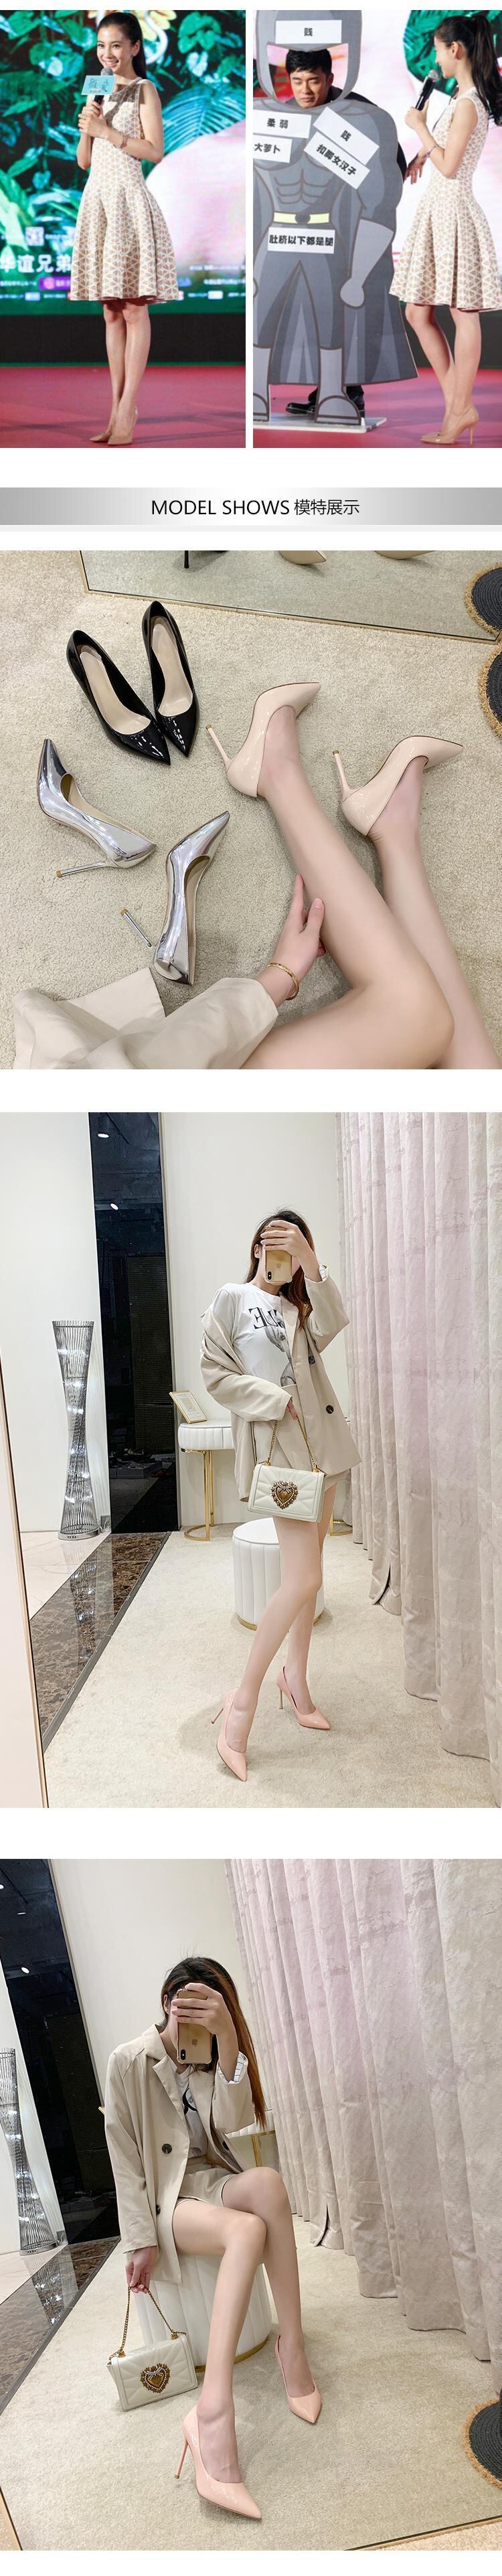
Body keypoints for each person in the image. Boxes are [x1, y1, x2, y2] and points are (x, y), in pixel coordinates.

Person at [104, 1955, 321, 2520]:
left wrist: (227, 2041)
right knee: (247, 2228)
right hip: (168, 2201)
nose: (195, 2019)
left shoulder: (208, 2057)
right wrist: (139, 2240)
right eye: (189, 2006)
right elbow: (124, 2160)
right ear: (167, 2002)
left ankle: (292, 2346)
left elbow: (233, 2123)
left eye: (212, 2008)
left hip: (211, 2183)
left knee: (269, 2183)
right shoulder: (128, 2060)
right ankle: (213, 2411)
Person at [200, 1211, 359, 1776]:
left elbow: (335, 1322)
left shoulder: (303, 1308)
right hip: (281, 1453)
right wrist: (274, 1399)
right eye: (275, 1243)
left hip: (324, 1449)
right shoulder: (232, 1299)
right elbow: (215, 1374)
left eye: (293, 1248)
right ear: (257, 1247)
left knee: (311, 1573)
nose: (282, 1256)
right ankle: (242, 1701)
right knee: (304, 1578)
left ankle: (295, 1679)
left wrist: (311, 1264)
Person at [392, 13, 502, 447]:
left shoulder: (470, 102)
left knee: (462, 314)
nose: (435, 59)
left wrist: (420, 128)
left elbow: (452, 166)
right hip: (437, 212)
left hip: (455, 213)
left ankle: (458, 409)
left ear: (455, 49)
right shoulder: (460, 98)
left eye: (438, 50)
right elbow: (443, 151)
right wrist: (422, 153)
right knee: (417, 313)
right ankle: (459, 405)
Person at [72, 9, 178, 445]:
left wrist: (107, 131)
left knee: (134, 308)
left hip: (129, 202)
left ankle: (128, 408)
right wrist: (89, 126)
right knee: (110, 310)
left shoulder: (143, 90)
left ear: (135, 47)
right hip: (98, 200)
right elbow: (83, 161)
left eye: (116, 45)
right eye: (102, 46)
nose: (108, 53)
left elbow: (155, 151)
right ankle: (116, 409)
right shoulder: (96, 89)